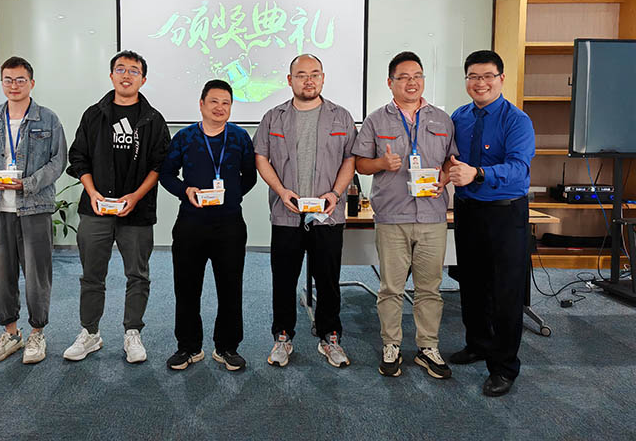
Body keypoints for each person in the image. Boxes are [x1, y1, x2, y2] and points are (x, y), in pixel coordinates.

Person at [354, 51, 456, 379]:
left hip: (432, 217)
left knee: (430, 288)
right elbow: (360, 164)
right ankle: (391, 345)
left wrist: (444, 178)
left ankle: (428, 347)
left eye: (417, 76)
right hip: (392, 216)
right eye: (404, 77)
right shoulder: (376, 120)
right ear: (390, 82)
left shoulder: (442, 120)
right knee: (391, 288)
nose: (412, 82)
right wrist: (382, 164)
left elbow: (450, 161)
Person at [63, 50, 170, 364]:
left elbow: (160, 164)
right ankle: (90, 333)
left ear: (143, 79)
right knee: (91, 275)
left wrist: (135, 197)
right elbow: (78, 157)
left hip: (136, 211)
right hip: (96, 209)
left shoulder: (153, 119)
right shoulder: (94, 115)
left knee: (138, 275)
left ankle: (132, 333)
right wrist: (93, 193)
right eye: (120, 69)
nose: (126, 75)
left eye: (133, 71)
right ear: (111, 75)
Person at [253, 54, 357, 368]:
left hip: (327, 214)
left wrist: (335, 193)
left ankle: (330, 337)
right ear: (290, 80)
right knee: (284, 279)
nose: (308, 80)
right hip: (287, 213)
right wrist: (280, 190)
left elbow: (350, 160)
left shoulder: (341, 117)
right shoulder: (274, 117)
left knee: (328, 280)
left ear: (323, 78)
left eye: (314, 74)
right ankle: (283, 336)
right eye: (301, 75)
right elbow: (261, 157)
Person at [448, 49, 535, 397]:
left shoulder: (517, 120)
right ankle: (477, 344)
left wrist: (478, 173)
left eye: (487, 76)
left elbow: (519, 167)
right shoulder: (459, 116)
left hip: (505, 213)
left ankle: (504, 367)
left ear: (501, 79)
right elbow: (450, 158)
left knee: (505, 292)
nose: (480, 83)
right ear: (466, 80)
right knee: (471, 282)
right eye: (473, 76)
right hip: (467, 210)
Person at [0, 56, 67, 364]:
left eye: (20, 80)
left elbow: (58, 161)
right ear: (2, 83)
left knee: (37, 275)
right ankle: (11, 334)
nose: (14, 85)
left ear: (31, 83)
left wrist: (28, 184)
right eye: (8, 80)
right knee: (2, 276)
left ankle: (37, 333)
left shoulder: (47, 119)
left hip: (34, 208)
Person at [159, 80, 257, 371]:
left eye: (226, 103)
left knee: (230, 288)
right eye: (214, 101)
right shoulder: (185, 137)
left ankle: (227, 347)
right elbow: (166, 174)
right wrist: (185, 191)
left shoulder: (239, 137)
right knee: (187, 288)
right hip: (191, 223)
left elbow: (250, 177)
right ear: (201, 104)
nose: (220, 107)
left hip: (230, 225)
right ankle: (188, 347)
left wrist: (231, 197)